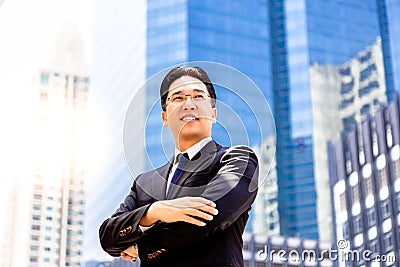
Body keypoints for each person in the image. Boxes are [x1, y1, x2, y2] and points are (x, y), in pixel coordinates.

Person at [99, 66, 259, 267]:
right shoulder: (145, 183)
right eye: (178, 98)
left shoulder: (237, 160)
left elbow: (209, 215)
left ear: (214, 113)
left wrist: (141, 247)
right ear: (165, 118)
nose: (189, 104)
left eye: (198, 96)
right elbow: (107, 235)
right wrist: (153, 211)